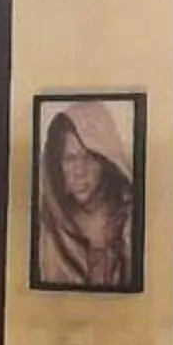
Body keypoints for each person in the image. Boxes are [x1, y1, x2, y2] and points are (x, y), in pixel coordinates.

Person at [37, 105, 137, 290]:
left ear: (106, 161)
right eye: (70, 159)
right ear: (57, 166)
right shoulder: (47, 228)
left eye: (89, 158)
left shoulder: (131, 222)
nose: (80, 171)